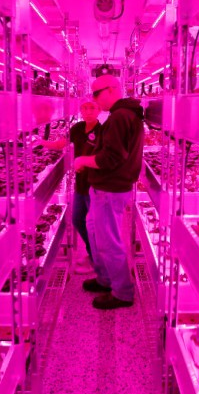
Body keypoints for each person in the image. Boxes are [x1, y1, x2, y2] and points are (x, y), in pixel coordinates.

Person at [73, 75, 145, 310]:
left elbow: (111, 158)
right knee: (95, 233)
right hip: (106, 188)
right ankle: (105, 279)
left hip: (109, 189)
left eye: (97, 93)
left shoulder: (119, 117)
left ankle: (122, 292)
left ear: (113, 90)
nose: (94, 99)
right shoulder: (124, 115)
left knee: (108, 242)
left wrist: (83, 159)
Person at [38, 99, 102, 274]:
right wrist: (41, 142)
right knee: (77, 220)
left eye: (92, 108)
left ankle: (96, 261)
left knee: (94, 225)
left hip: (96, 184)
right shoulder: (77, 128)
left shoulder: (103, 131)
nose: (88, 111)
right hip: (81, 182)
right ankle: (92, 253)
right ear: (81, 110)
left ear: (98, 110)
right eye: (85, 108)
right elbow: (60, 144)